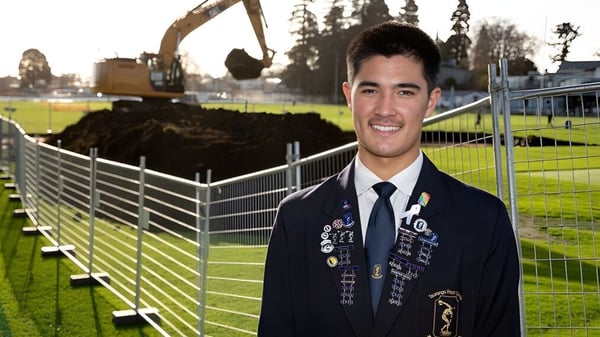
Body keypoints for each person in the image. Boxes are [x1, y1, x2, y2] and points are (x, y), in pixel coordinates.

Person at [257, 21, 521, 337]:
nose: (385, 109)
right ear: (348, 96)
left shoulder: (483, 220)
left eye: (404, 92)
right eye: (370, 90)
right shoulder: (298, 217)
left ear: (431, 101)